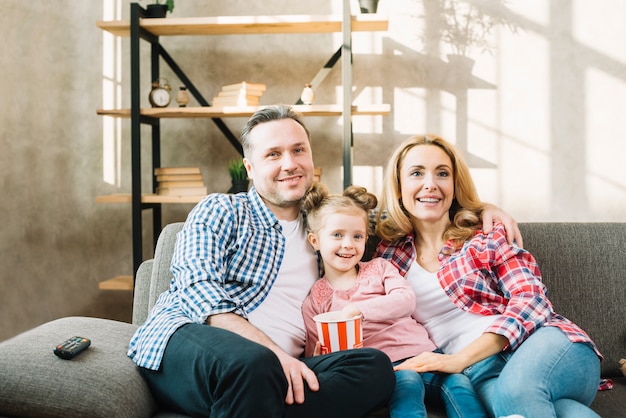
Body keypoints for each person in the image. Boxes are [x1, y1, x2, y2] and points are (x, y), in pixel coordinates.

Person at [127, 105, 396, 418]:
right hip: (192, 344)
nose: (290, 164)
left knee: (374, 367)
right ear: (250, 167)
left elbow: (399, 216)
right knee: (254, 364)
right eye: (273, 154)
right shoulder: (222, 210)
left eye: (298, 150)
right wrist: (274, 353)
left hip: (279, 370)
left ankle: (258, 404)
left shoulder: (327, 227)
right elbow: (198, 289)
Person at [375, 134, 603, 418]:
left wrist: (459, 360)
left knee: (516, 394)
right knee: (558, 412)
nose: (430, 184)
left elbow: (532, 300)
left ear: (454, 185)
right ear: (398, 186)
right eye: (416, 173)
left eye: (442, 173)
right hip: (481, 374)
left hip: (542, 345)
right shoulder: (387, 256)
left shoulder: (485, 236)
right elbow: (343, 216)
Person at [301, 182, 488, 418]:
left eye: (357, 236)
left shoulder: (379, 268)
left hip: (426, 353)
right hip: (388, 368)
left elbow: (405, 300)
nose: (348, 244)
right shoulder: (316, 299)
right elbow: (314, 356)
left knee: (459, 383)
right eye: (337, 235)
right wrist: (320, 357)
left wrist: (357, 310)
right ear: (315, 241)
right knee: (407, 383)